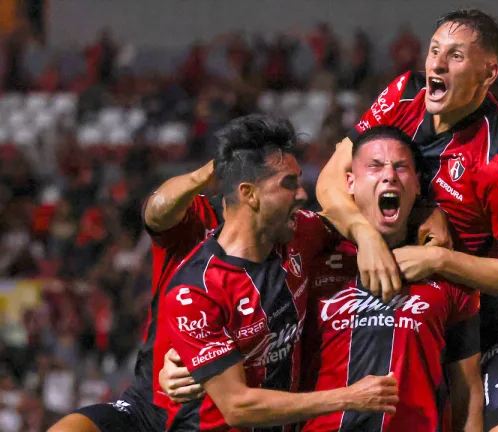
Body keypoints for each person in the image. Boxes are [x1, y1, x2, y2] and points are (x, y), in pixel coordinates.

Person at [55, 114, 399, 432]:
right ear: (247, 193)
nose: (303, 194)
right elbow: (155, 213)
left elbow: (356, 221)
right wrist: (350, 396)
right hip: (153, 407)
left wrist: (373, 235)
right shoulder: (193, 245)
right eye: (289, 183)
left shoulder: (298, 233)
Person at [315, 8, 498, 432]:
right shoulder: (404, 94)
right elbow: (331, 180)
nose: (436, 64)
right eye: (435, 50)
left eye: (455, 56)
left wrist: (439, 260)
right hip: (416, 314)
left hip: (491, 327)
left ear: (489, 72)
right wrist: (366, 235)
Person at [299, 126, 484, 431]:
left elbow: (468, 394)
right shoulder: (312, 257)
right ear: (350, 183)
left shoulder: (449, 273)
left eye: (401, 167)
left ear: (418, 185)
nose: (389, 176)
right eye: (374, 166)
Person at [50, 160, 222, 431]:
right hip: (148, 401)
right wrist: (203, 174)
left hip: (215, 408)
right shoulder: (193, 216)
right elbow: (155, 213)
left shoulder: (276, 257)